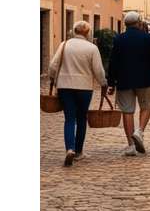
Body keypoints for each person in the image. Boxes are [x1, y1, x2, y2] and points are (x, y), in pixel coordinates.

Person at [46, 21, 107, 167]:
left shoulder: (64, 45)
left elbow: (53, 66)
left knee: (69, 119)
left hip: (65, 86)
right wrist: (103, 82)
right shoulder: (92, 48)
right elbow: (98, 70)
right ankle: (79, 151)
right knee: (81, 118)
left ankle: (70, 149)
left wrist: (52, 79)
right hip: (84, 87)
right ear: (87, 33)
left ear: (75, 31)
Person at [107, 12, 150, 156]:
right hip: (144, 80)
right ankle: (140, 131)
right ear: (139, 23)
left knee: (127, 111)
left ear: (125, 24)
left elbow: (113, 62)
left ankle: (131, 145)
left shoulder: (119, 39)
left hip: (124, 80)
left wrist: (111, 82)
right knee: (146, 107)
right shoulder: (148, 38)